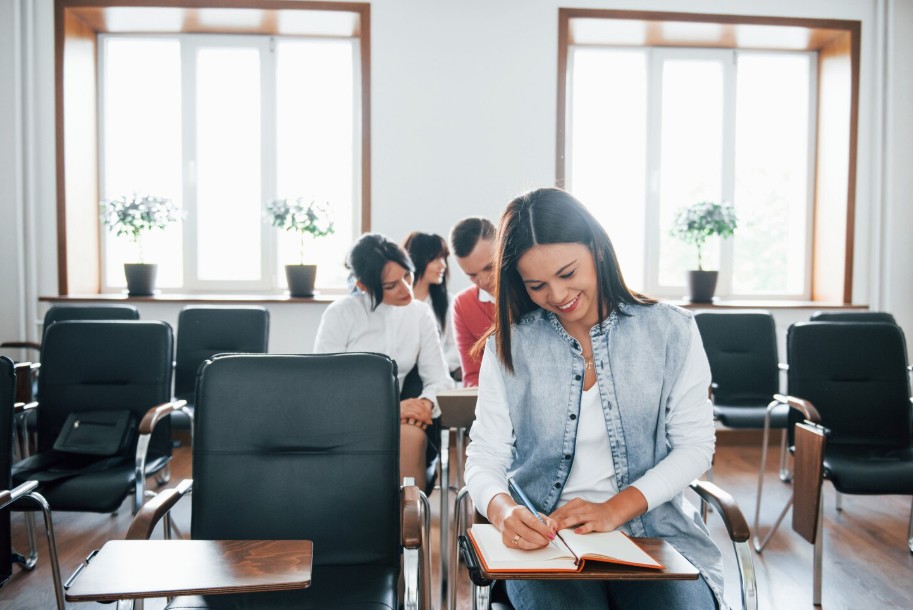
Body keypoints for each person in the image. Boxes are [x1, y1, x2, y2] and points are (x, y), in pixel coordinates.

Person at [464, 188, 724, 609]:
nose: (557, 295)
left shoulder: (671, 330)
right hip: (547, 544)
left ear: (597, 250)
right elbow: (485, 455)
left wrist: (616, 509)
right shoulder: (509, 347)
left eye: (568, 273)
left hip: (654, 534)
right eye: (537, 285)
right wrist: (502, 511)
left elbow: (696, 446)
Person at [314, 233, 454, 490]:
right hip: (348, 419)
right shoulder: (340, 314)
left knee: (411, 435)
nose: (406, 289)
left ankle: (408, 528)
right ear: (364, 286)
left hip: (402, 422)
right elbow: (325, 390)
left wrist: (425, 403)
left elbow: (440, 379)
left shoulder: (420, 314)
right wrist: (391, 411)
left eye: (407, 275)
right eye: (391, 285)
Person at [402, 231, 461, 375]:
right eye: (435, 259)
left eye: (444, 259)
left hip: (436, 377)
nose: (443, 266)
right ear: (417, 260)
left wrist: (434, 367)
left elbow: (456, 348)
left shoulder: (447, 301)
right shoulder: (395, 301)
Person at [449, 217, 497, 387]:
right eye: (472, 275)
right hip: (491, 403)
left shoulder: (533, 288)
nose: (483, 281)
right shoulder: (463, 305)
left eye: (489, 267)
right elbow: (473, 376)